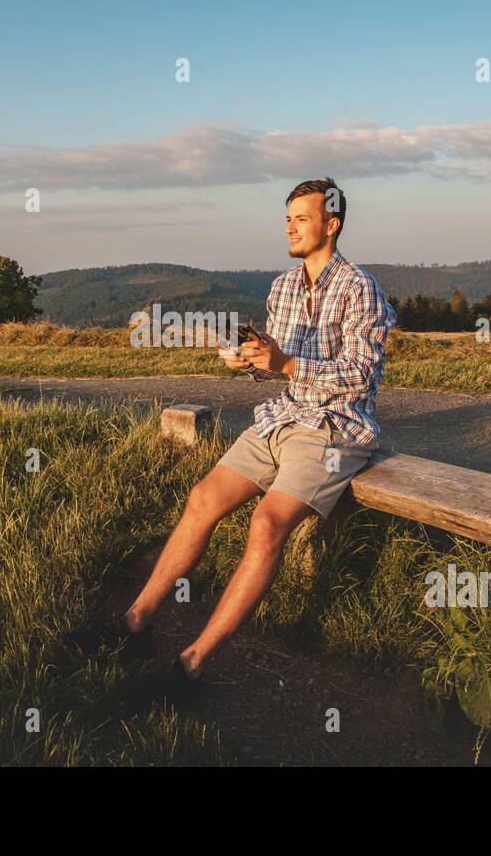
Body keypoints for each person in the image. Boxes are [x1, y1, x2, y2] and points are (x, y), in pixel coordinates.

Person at [113, 177, 396, 708]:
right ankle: (135, 624)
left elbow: (363, 375)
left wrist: (286, 363)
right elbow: (275, 372)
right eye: (286, 217)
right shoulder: (283, 286)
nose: (290, 226)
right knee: (202, 500)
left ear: (331, 224)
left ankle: (189, 668)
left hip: (334, 429)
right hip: (281, 417)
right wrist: (250, 361)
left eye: (302, 218)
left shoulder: (362, 289)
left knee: (265, 525)